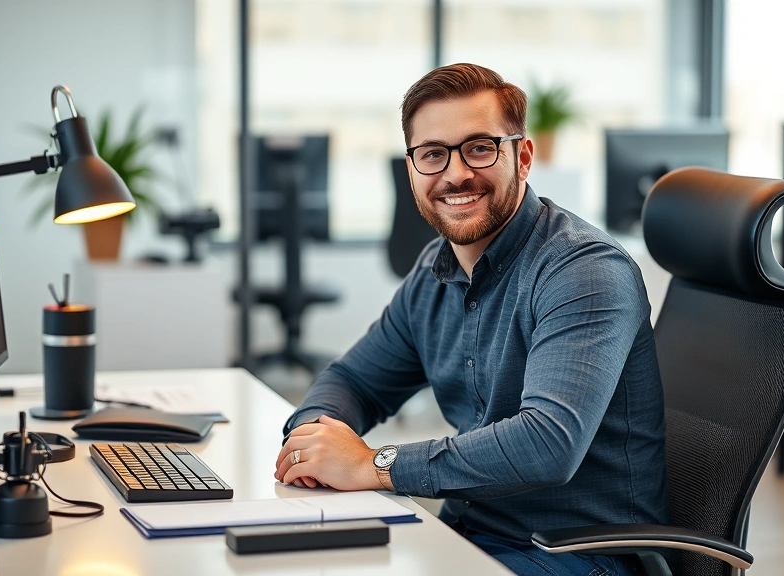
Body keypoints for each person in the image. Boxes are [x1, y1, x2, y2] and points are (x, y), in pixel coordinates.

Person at [274, 63, 669, 576]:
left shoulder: (584, 271)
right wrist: (312, 440)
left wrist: (370, 464)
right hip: (470, 535)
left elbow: (547, 444)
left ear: (523, 157)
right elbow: (355, 380)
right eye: (433, 155)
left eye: (479, 148)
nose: (456, 173)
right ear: (412, 171)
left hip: (576, 555)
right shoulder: (434, 270)